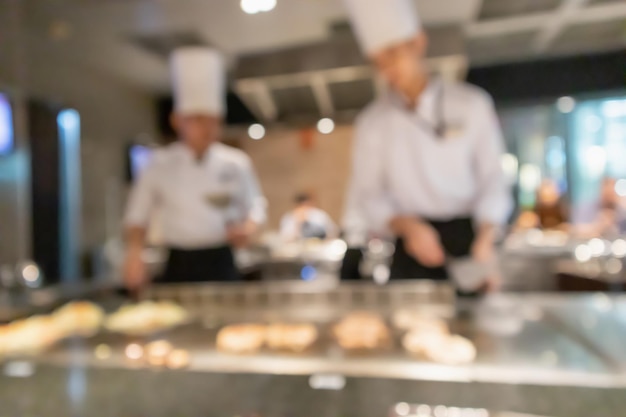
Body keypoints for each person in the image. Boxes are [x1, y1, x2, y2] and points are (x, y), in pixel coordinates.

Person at [342, 0, 511, 289]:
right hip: (409, 243)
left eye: (393, 53)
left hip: (468, 239)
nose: (388, 69)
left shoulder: (472, 105)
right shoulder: (372, 122)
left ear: (418, 42)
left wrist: (487, 236)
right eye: (379, 61)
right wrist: (406, 226)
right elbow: (368, 194)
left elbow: (493, 177)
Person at [123, 47, 266, 287]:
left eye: (214, 120)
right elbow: (137, 216)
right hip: (179, 261)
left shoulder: (236, 162)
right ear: (177, 121)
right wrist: (134, 254)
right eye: (198, 119)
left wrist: (249, 229)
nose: (207, 128)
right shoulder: (158, 164)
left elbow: (256, 206)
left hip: (222, 259)